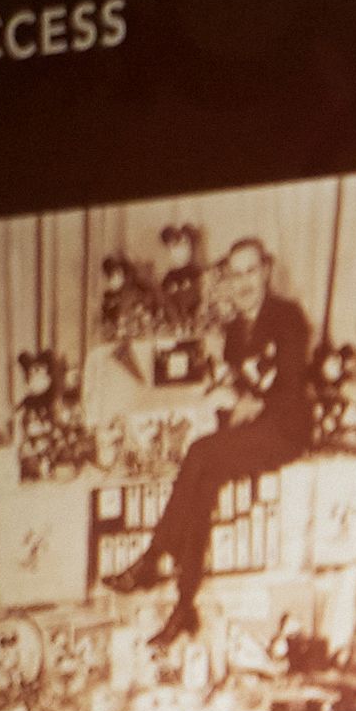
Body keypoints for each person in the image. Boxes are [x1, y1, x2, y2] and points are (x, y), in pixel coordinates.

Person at [122, 238, 315, 648]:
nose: (243, 282)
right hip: (250, 432)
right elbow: (233, 388)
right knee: (202, 479)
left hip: (285, 431)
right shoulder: (231, 331)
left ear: (266, 270)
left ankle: (154, 556)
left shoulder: (288, 317)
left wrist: (251, 403)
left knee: (199, 453)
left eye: (250, 271)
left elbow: (293, 385)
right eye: (235, 274)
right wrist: (223, 395)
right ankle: (184, 606)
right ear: (226, 281)